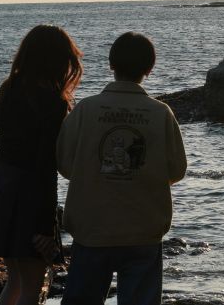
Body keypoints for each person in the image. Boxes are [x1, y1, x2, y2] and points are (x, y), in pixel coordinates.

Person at [57, 32, 187, 305]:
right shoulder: (160, 113)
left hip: (92, 228)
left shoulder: (85, 109)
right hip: (144, 227)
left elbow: (65, 164)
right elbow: (176, 170)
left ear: (111, 65)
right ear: (149, 68)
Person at [0, 24, 84, 305]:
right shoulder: (52, 102)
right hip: (27, 195)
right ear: (59, 61)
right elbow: (45, 168)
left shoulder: (12, 88)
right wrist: (46, 227)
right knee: (31, 286)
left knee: (16, 281)